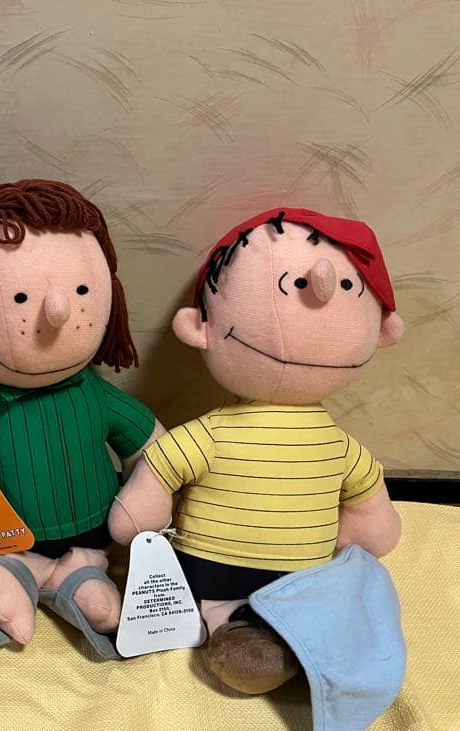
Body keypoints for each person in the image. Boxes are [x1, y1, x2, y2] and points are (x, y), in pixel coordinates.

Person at [109, 208, 405, 695]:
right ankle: (236, 626)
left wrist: (366, 525)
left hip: (299, 581)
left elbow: (368, 504)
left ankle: (278, 633)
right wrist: (144, 509)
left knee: (312, 618)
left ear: (382, 334)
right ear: (199, 328)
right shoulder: (218, 433)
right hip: (214, 572)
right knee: (245, 625)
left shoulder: (332, 446)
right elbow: (162, 467)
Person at [0, 179, 163, 656]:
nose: (59, 312)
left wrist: (150, 491)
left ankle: (81, 574)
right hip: (9, 537)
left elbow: (154, 448)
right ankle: (17, 572)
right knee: (7, 566)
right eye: (20, 298)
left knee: (94, 586)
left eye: (82, 289)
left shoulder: (96, 396)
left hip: (95, 534)